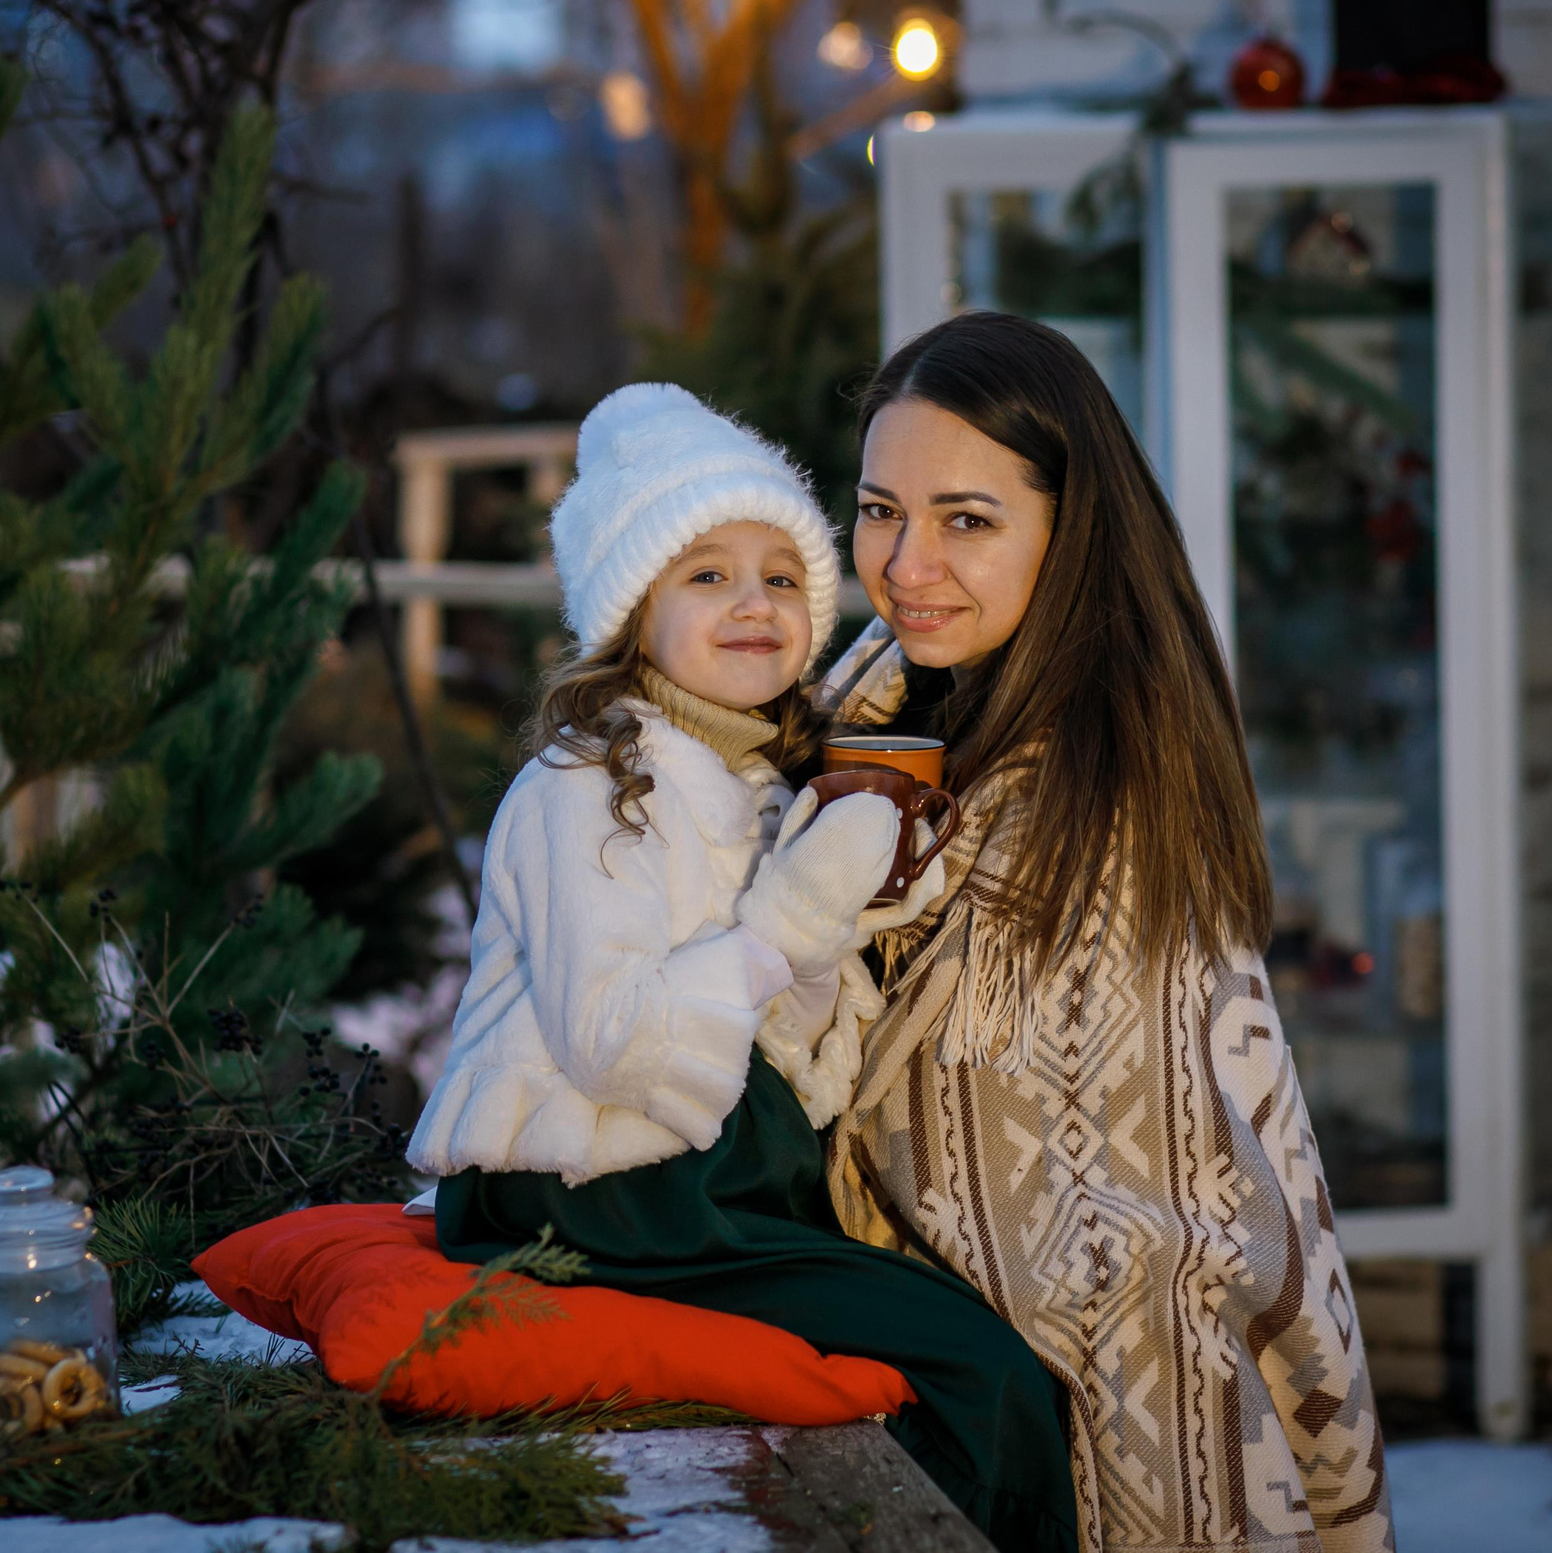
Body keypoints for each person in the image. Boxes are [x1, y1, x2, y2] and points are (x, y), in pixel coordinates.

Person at [406, 383, 1077, 1553]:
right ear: (631, 610)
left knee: (970, 1356)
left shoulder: (760, 778)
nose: (754, 604)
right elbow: (610, 1042)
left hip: (711, 1184)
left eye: (782, 576)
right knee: (978, 1369)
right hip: (605, 1191)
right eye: (706, 575)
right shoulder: (584, 785)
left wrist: (838, 928)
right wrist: (777, 929)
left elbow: (786, 1049)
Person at [818, 313, 1396, 1553]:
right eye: (879, 511)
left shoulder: (1097, 792)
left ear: (1068, 532)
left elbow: (1121, 1214)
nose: (907, 562)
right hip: (968, 1401)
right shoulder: (880, 718)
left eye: (966, 520)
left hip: (1120, 1428)